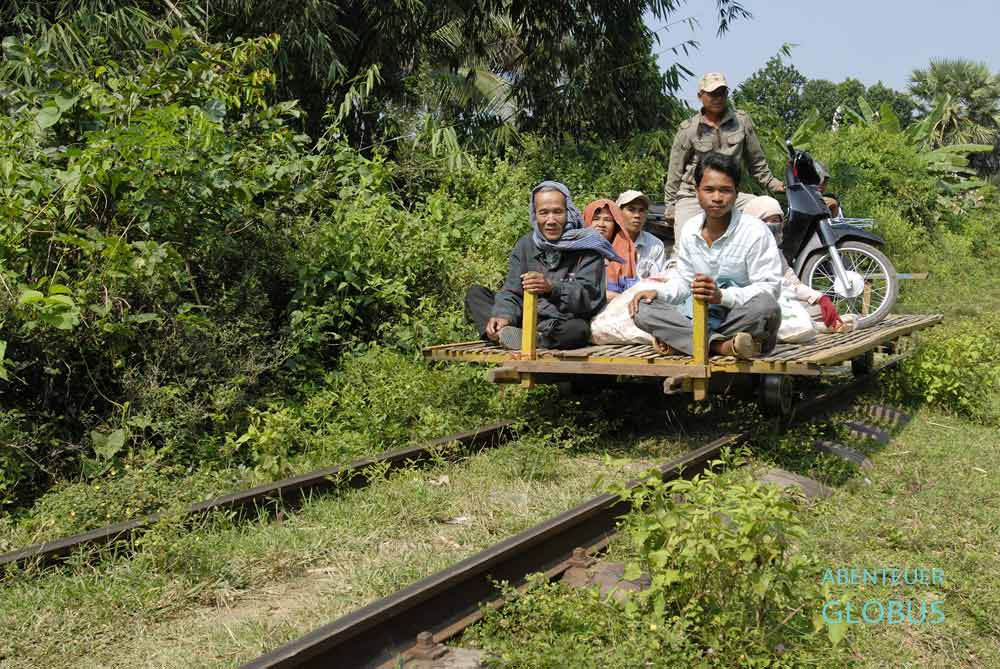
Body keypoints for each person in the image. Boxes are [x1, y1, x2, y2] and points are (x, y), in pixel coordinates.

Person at [630, 152, 782, 359]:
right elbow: (684, 281)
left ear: (737, 193)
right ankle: (721, 347)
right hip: (697, 318)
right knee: (642, 308)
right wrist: (660, 294)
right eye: (709, 190)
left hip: (738, 318)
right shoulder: (690, 229)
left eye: (726, 190)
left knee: (767, 306)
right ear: (697, 192)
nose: (717, 198)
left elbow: (769, 288)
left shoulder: (755, 231)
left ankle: (685, 343)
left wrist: (722, 297)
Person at [465, 181, 624, 350]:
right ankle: (503, 332)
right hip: (525, 317)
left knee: (578, 330)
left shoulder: (588, 247)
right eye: (543, 213)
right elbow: (512, 290)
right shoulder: (526, 245)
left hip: (560, 322)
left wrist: (552, 288)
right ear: (535, 215)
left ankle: (536, 341)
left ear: (568, 213)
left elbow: (589, 298)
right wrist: (503, 315)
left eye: (557, 212)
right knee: (476, 294)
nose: (550, 220)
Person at [663, 72, 785, 244]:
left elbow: (756, 162)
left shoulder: (741, 122)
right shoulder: (688, 129)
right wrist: (670, 206)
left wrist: (775, 184)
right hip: (693, 196)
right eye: (712, 94)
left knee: (769, 208)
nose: (718, 98)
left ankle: (772, 261)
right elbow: (674, 172)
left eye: (722, 93)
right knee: (684, 244)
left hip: (730, 195)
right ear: (700, 96)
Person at [742, 195, 852, 334]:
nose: (772, 225)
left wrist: (820, 298)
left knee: (816, 309)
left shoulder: (776, 252)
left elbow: (793, 283)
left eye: (775, 220)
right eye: (766, 221)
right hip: (754, 305)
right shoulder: (744, 249)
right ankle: (812, 326)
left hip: (781, 299)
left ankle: (813, 324)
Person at [583, 198, 632, 299]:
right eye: (596, 219)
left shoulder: (626, 251)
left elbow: (632, 292)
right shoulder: (574, 252)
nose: (601, 224)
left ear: (616, 226)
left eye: (607, 220)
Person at [616, 190, 667, 281]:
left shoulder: (655, 245)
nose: (637, 215)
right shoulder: (608, 242)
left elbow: (657, 282)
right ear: (619, 212)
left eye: (641, 210)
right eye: (631, 209)